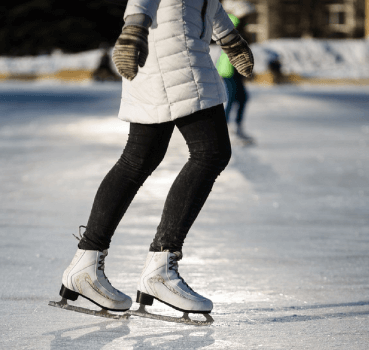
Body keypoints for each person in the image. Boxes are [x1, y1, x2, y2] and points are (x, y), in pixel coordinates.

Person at [59, 0, 253, 316]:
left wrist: (229, 38)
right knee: (210, 152)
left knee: (139, 158)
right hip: (176, 60)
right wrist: (134, 27)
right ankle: (160, 268)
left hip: (166, 57)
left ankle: (86, 265)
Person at [216, 13, 253, 143]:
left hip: (235, 68)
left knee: (242, 98)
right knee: (233, 98)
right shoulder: (233, 23)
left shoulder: (239, 26)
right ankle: (225, 130)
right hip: (230, 68)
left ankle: (236, 127)